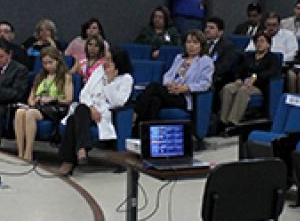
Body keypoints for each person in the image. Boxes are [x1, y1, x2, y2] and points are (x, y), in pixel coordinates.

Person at [57, 49, 134, 177]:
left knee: (73, 120)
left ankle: (69, 161)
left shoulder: (126, 79)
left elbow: (118, 102)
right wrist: (91, 107)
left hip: (104, 113)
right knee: (80, 110)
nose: (105, 62)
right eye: (105, 59)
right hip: (88, 108)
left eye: (109, 60)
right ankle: (81, 148)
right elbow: (84, 93)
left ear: (118, 62)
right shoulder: (99, 71)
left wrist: (110, 82)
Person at [134, 29, 213, 124]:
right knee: (155, 101)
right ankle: (149, 130)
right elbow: (168, 75)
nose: (191, 45)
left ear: (202, 45)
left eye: (195, 43)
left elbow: (205, 84)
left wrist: (185, 88)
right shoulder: (180, 58)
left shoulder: (205, 61)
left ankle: (135, 114)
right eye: (188, 42)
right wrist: (170, 84)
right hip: (171, 91)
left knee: (154, 86)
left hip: (185, 96)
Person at [13, 47, 74, 163]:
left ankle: (28, 154)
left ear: (58, 61)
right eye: (45, 63)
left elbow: (68, 99)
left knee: (30, 113)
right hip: (39, 106)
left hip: (55, 108)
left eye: (50, 62)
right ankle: (20, 152)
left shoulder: (65, 76)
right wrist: (36, 100)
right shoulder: (40, 77)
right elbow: (30, 99)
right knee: (19, 112)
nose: (48, 66)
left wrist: (52, 98)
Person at [219, 32, 283, 128]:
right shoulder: (249, 56)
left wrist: (255, 77)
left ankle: (233, 121)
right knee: (228, 88)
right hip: (244, 82)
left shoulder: (272, 58)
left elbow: (272, 72)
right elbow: (239, 70)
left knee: (243, 91)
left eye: (262, 41)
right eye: (257, 41)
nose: (259, 44)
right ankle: (223, 120)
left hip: (259, 85)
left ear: (268, 44)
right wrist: (238, 78)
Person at [202, 17, 239, 92]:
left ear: (220, 32)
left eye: (211, 28)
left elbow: (223, 67)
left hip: (219, 79)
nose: (207, 30)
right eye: (206, 27)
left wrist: (206, 72)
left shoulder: (227, 46)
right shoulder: (201, 44)